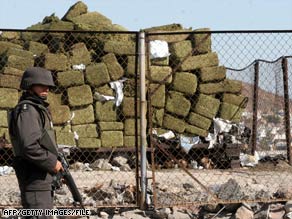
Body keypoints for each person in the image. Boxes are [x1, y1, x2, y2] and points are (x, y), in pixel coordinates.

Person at [8, 67, 63, 219]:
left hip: (39, 176)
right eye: (41, 85)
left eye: (49, 86)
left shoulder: (36, 108)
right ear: (30, 86)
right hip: (34, 177)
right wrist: (53, 163)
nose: (46, 88)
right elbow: (29, 146)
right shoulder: (28, 110)